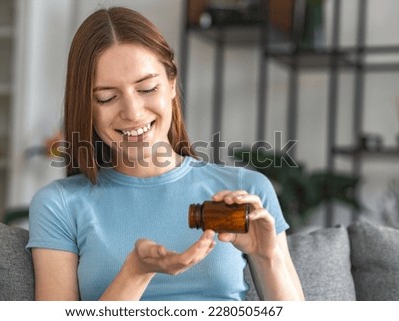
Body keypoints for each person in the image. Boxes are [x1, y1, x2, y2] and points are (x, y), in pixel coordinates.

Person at [26, 7, 304, 301]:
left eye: (146, 89)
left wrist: (267, 257)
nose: (133, 113)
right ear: (86, 106)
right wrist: (135, 273)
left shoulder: (247, 190)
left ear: (171, 84)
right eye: (107, 97)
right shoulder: (59, 204)